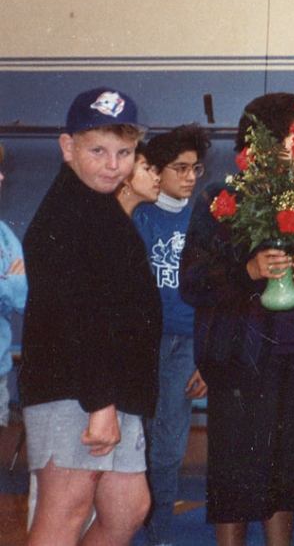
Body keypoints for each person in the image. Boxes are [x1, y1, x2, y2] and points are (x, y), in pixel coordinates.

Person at [181, 93, 294, 546]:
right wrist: (248, 271)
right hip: (242, 361)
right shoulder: (219, 198)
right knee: (236, 476)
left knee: (287, 472)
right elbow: (193, 280)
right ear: (264, 141)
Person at [19, 88, 163, 545]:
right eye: (97, 150)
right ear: (68, 148)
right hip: (76, 391)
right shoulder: (65, 215)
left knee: (128, 509)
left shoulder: (101, 208)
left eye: (123, 153)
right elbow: (74, 318)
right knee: (65, 512)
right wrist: (100, 404)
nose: (111, 164)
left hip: (114, 391)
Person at [134, 125, 211, 546]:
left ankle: (158, 537)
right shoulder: (139, 214)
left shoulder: (205, 219)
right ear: (156, 172)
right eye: (179, 168)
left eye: (195, 167)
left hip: (187, 343)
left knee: (165, 452)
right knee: (133, 446)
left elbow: (218, 295)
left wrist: (206, 356)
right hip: (144, 344)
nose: (190, 176)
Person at [0, 143, 28, 428]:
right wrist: (10, 281)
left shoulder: (4, 236)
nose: (1, 178)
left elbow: (24, 297)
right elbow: (14, 288)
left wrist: (9, 284)